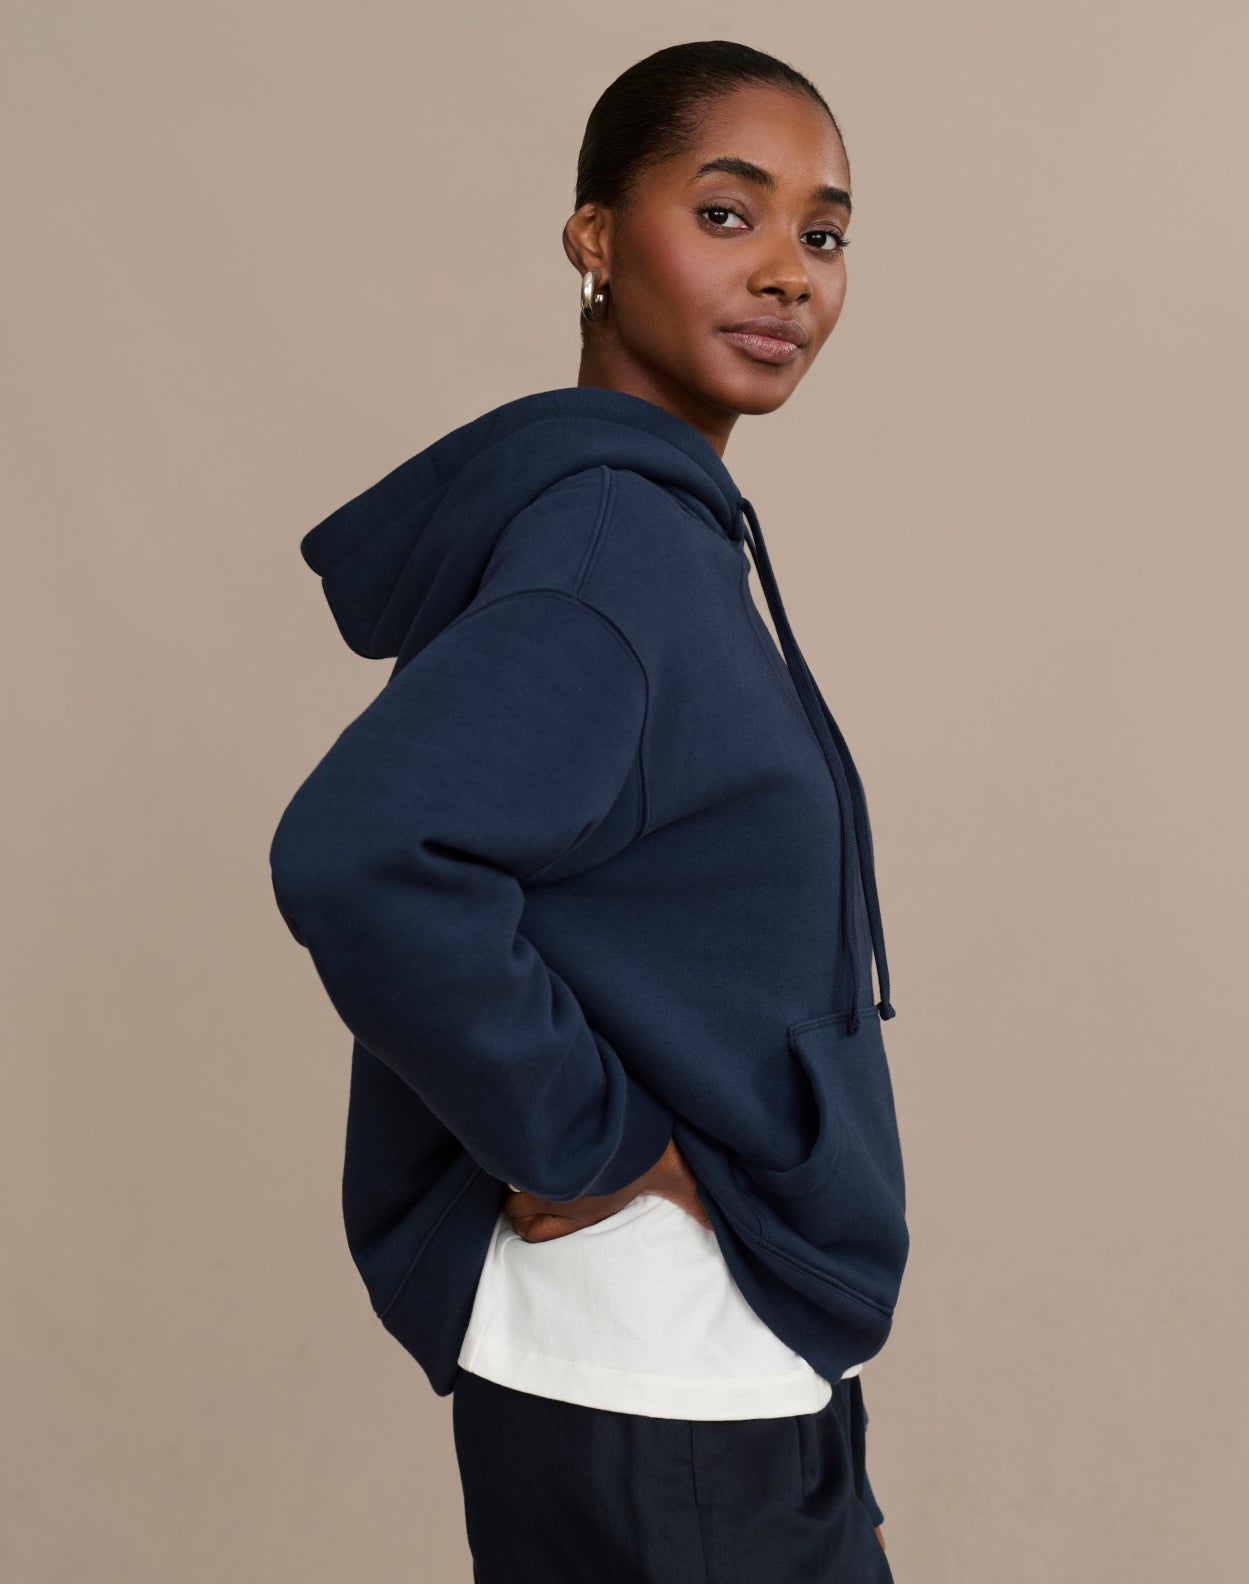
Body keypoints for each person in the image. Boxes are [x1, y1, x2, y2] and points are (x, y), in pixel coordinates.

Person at [269, 38, 908, 1584]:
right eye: (727, 214)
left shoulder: (662, 541)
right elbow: (363, 856)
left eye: (821, 235)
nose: (788, 276)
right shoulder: (611, 549)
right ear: (596, 240)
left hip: (715, 1358)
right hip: (652, 1374)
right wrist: (588, 1144)